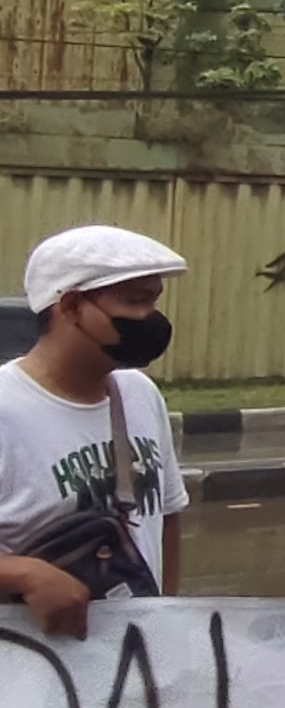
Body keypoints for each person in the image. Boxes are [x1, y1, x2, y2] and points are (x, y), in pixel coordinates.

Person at [0, 226, 191, 637]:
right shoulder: (6, 409)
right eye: (136, 302)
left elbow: (168, 516)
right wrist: (23, 574)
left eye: (154, 301)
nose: (152, 320)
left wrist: (165, 620)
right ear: (70, 306)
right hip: (31, 676)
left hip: (131, 665)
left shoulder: (139, 394)